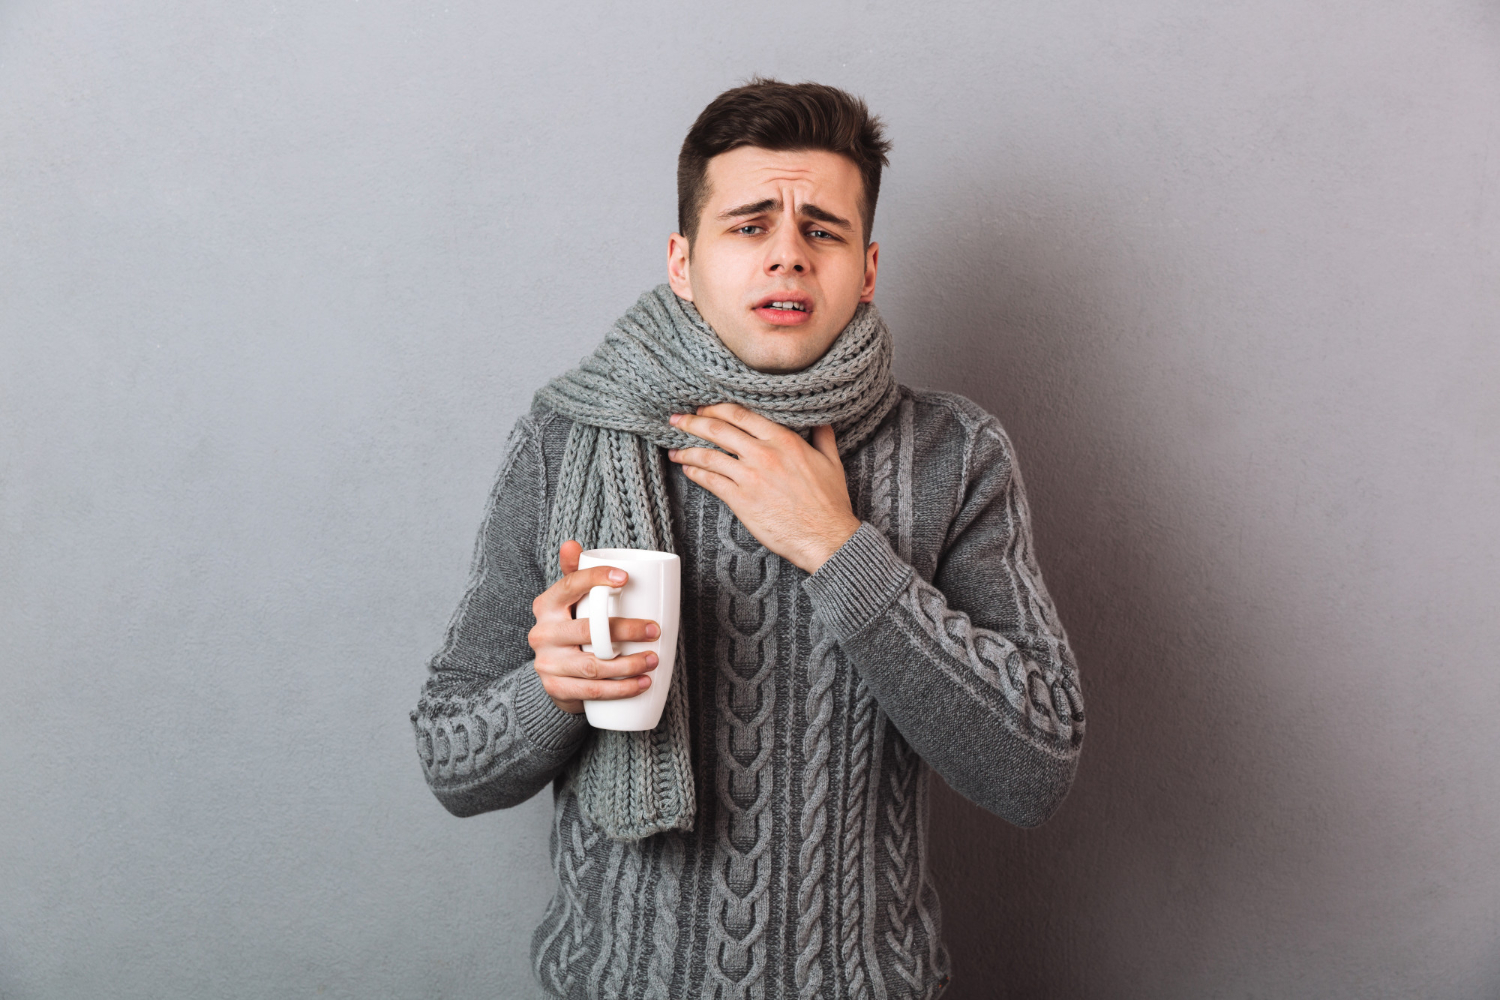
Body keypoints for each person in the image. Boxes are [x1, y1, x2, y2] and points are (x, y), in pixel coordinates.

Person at [409, 78, 1085, 1000]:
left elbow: (1036, 768)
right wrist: (550, 691)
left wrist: (838, 547)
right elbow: (450, 761)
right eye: (749, 224)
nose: (787, 255)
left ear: (867, 269)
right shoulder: (566, 440)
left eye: (822, 230)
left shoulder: (954, 453)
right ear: (683, 262)